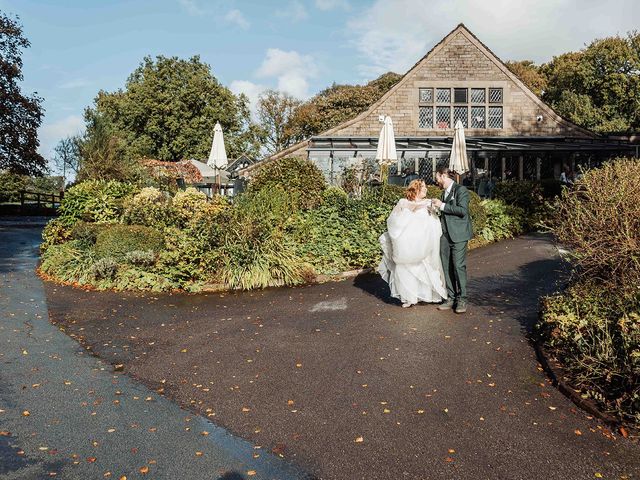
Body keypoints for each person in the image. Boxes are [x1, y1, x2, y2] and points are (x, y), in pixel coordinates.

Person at [378, 179, 447, 308]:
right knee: (406, 269)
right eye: (423, 187)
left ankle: (426, 295)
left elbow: (435, 222)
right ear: (416, 189)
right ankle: (409, 297)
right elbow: (393, 221)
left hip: (424, 245)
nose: (426, 189)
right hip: (407, 245)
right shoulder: (403, 203)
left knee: (424, 268)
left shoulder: (429, 203)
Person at [431, 166, 473, 314]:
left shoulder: (461, 190)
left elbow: (462, 211)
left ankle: (462, 299)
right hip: (444, 235)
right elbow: (445, 212)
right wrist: (436, 209)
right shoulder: (443, 194)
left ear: (443, 175)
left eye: (437, 177)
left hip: (459, 235)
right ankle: (450, 297)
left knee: (458, 266)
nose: (436, 180)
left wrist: (442, 205)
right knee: (446, 266)